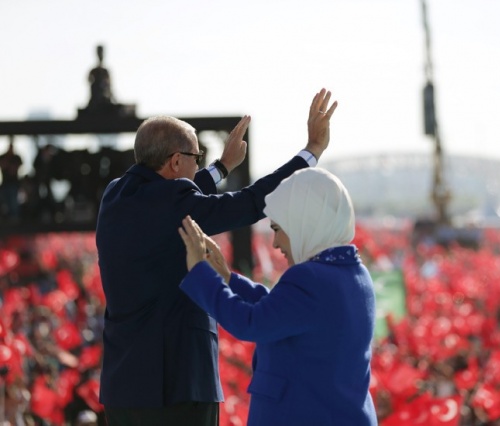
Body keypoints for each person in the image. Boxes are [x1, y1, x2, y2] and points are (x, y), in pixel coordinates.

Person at [95, 88, 337, 426]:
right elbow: (251, 201)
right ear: (175, 161)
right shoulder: (174, 201)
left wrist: (222, 167)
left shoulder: (116, 196)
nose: (199, 164)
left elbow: (175, 196)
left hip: (123, 388)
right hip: (178, 386)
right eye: (196, 156)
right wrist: (311, 152)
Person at [178, 167, 378, 426]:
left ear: (303, 223)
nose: (275, 243)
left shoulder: (311, 278)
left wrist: (200, 273)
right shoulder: (354, 273)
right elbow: (281, 310)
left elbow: (250, 322)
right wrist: (227, 278)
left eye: (278, 228)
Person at [0, 140, 23, 220]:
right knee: (4, 202)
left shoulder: (16, 158)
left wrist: (12, 167)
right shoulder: (3, 157)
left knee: (13, 202)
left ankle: (14, 218)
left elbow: (19, 166)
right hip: (5, 184)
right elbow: (3, 165)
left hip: (14, 184)